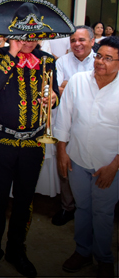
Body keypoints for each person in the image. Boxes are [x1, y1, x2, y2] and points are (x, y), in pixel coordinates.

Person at [0, 0, 74, 278]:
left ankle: (16, 250)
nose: (29, 42)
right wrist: (12, 52)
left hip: (33, 143)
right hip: (0, 142)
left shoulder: (47, 62)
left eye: (34, 37)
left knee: (24, 200)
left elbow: (53, 98)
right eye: (23, 36)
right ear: (12, 35)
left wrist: (54, 99)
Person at [54, 37, 119, 278]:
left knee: (103, 213)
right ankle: (82, 251)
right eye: (99, 56)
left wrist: (115, 165)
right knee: (82, 208)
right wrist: (62, 151)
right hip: (77, 159)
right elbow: (64, 117)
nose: (100, 61)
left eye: (108, 58)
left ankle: (104, 258)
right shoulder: (79, 81)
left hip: (108, 164)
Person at [48, 26, 96, 226]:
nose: (77, 44)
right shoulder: (61, 62)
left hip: (94, 125)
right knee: (66, 166)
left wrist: (68, 85)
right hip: (66, 122)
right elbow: (55, 90)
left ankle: (93, 211)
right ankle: (68, 207)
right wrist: (63, 88)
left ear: (92, 41)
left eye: (82, 40)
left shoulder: (101, 61)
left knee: (94, 167)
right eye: (74, 40)